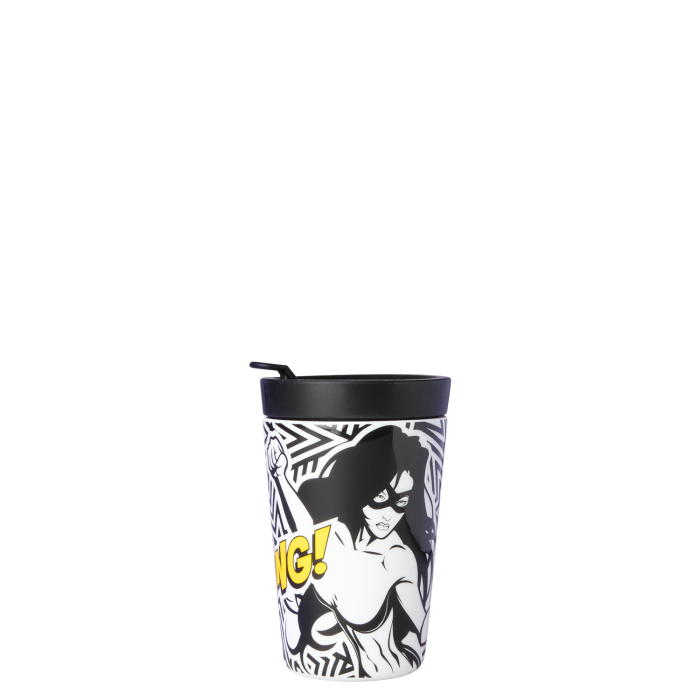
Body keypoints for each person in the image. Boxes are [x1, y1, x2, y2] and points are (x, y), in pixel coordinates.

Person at [269, 425, 434, 678]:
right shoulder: (336, 536)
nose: (389, 515)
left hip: (392, 670)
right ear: (363, 490)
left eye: (401, 502)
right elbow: (305, 528)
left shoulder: (396, 558)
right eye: (381, 498)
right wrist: (280, 475)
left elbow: (420, 627)